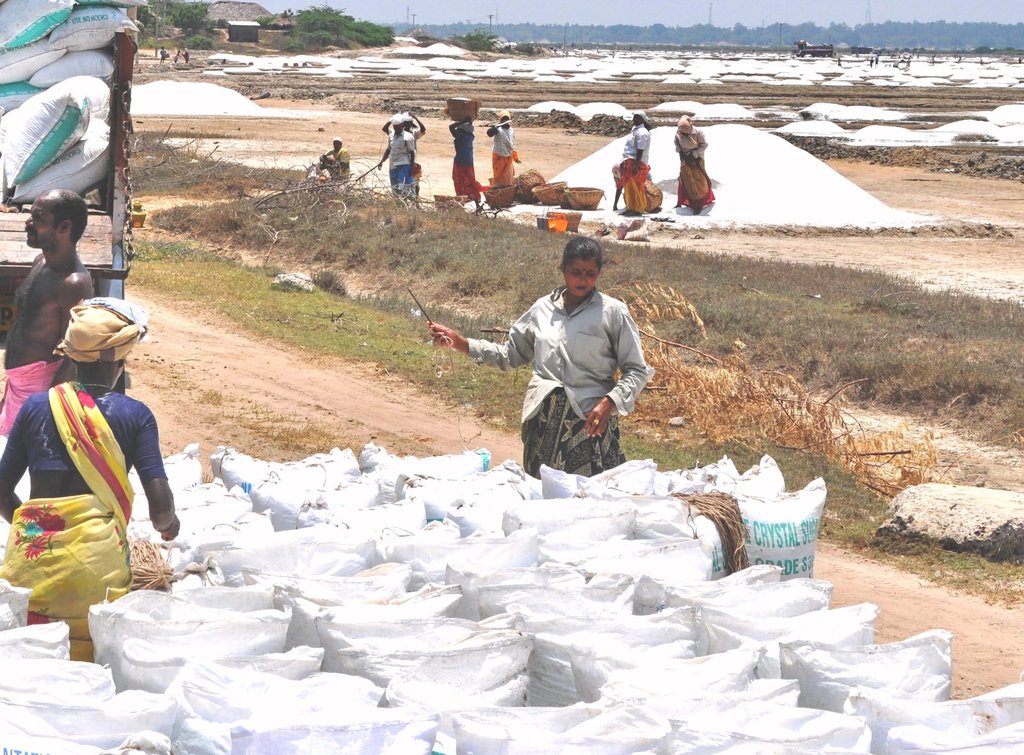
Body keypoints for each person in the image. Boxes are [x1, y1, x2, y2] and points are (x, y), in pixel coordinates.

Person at [0, 299, 179, 662]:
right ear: (119, 359)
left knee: (29, 659)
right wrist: (170, 527)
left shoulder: (35, 407)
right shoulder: (136, 416)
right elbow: (161, 512)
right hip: (96, 571)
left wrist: (38, 526)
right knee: (87, 662)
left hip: (31, 564)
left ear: (71, 355)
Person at [428, 237, 653, 478]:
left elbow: (637, 370)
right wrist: (460, 342)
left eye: (590, 273)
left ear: (598, 274)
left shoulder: (612, 312)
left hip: (589, 422)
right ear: (563, 269)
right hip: (543, 423)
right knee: (541, 496)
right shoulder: (542, 309)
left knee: (586, 501)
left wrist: (609, 402)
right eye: (575, 271)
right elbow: (510, 355)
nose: (583, 279)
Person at [0, 190, 94, 436]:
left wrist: (46, 408)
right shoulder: (40, 261)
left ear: (64, 227)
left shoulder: (74, 284)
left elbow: (73, 354)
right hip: (19, 385)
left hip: (39, 393)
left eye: (38, 218)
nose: (28, 223)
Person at [377, 112, 426, 199]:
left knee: (408, 185)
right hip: (393, 164)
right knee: (396, 186)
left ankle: (414, 201)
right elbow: (388, 149)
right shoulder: (392, 135)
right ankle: (400, 203)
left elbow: (412, 152)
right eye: (395, 126)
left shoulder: (411, 135)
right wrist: (381, 161)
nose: (396, 128)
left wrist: (411, 166)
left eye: (398, 126)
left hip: (406, 164)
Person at [674, 115, 715, 215]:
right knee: (685, 180)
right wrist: (682, 157)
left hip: (697, 159)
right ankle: (683, 201)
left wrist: (695, 154)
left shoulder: (698, 133)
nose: (684, 132)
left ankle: (699, 204)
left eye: (686, 129)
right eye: (682, 130)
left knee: (698, 182)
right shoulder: (678, 134)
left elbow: (704, 145)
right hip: (685, 159)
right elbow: (677, 145)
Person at [616, 111, 652, 216]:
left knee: (635, 185)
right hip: (629, 159)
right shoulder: (635, 130)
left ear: (642, 120)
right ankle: (630, 206)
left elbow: (640, 149)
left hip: (636, 161)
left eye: (637, 118)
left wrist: (636, 165)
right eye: (634, 118)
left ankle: (637, 207)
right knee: (628, 185)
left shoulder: (642, 132)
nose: (634, 120)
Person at [449, 116, 484, 212]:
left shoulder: (461, 136)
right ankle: (476, 203)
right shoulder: (470, 136)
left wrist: (461, 120)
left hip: (460, 162)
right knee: (470, 182)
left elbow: (451, 127)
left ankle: (462, 201)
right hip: (469, 162)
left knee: (459, 182)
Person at [486, 110, 518, 188]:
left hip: (508, 156)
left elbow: (512, 141)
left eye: (506, 119)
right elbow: (489, 133)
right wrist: (495, 128)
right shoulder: (498, 129)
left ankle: (507, 189)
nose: (505, 120)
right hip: (499, 156)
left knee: (508, 176)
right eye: (503, 119)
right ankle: (498, 189)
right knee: (499, 175)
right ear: (500, 119)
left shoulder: (511, 130)